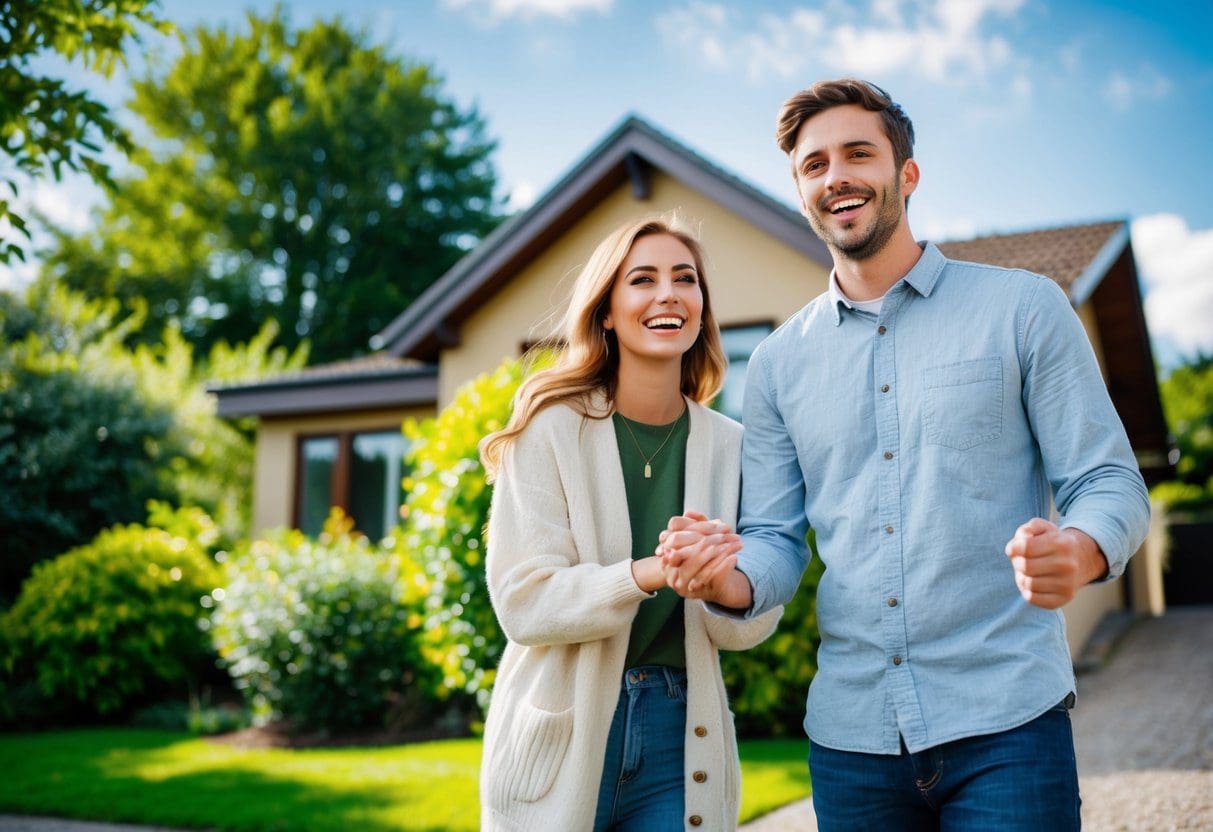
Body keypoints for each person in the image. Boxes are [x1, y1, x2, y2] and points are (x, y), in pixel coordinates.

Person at [659, 78, 1151, 830]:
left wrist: (1081, 549)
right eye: (814, 165)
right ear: (799, 193)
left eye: (858, 153)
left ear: (906, 175)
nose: (837, 177)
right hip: (850, 742)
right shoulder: (781, 364)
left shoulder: (1021, 309)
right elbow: (775, 542)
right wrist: (725, 578)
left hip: (1007, 723)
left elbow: (1106, 478)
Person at [477, 215, 782, 832]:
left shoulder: (734, 447)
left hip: (681, 734)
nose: (668, 293)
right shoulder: (550, 427)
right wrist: (647, 573)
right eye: (642, 279)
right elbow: (522, 603)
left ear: (701, 309)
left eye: (685, 280)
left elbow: (754, 622)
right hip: (562, 727)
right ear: (607, 312)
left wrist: (721, 586)